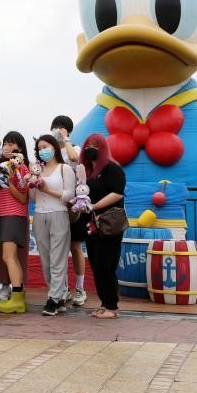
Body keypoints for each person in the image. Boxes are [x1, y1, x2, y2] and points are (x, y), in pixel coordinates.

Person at [78, 133, 127, 320]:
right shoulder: (87, 171)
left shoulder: (111, 168)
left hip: (109, 224)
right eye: (88, 145)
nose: (90, 149)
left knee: (107, 264)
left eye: (95, 145)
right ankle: (104, 303)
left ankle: (112, 306)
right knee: (96, 265)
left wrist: (95, 206)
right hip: (92, 225)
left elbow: (118, 193)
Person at [30, 135, 77, 316]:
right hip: (39, 215)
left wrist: (47, 189)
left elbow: (70, 195)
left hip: (59, 213)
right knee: (46, 260)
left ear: (54, 147)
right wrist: (31, 182)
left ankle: (53, 299)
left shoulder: (64, 168)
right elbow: (33, 197)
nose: (42, 151)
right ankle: (59, 296)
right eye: (39, 148)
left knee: (58, 258)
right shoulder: (37, 170)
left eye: (46, 146)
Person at [51, 115, 87, 306]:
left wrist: (65, 139)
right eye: (55, 127)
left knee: (75, 246)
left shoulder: (74, 147)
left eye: (61, 127)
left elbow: (75, 159)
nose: (57, 130)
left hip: (74, 206)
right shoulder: (49, 152)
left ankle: (80, 288)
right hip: (55, 204)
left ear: (68, 131)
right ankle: (62, 289)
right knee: (59, 249)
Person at [0, 132, 32, 314]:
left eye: (12, 144)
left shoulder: (21, 168)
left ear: (20, 149)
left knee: (8, 256)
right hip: (5, 215)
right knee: (12, 257)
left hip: (14, 215)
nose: (7, 148)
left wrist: (8, 182)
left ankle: (16, 298)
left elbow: (23, 198)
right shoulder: (4, 166)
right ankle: (19, 296)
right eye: (5, 144)